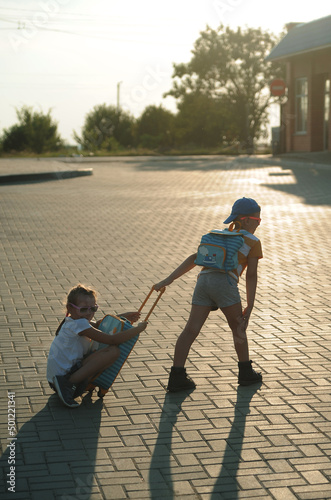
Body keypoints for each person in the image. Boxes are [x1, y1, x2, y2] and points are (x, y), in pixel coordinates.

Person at [154, 197, 263, 392]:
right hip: (225, 283)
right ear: (246, 220)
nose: (258, 224)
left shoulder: (218, 235)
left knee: (190, 330)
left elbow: (195, 258)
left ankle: (176, 376)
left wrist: (167, 280)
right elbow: (252, 275)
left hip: (203, 281)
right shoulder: (252, 241)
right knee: (238, 327)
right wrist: (251, 304)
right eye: (258, 220)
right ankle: (246, 373)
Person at [47, 284, 148, 408]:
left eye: (93, 309)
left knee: (110, 351)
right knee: (112, 352)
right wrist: (137, 330)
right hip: (63, 378)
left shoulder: (72, 321)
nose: (89, 313)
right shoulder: (78, 325)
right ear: (70, 308)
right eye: (84, 309)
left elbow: (100, 324)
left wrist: (122, 316)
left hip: (56, 379)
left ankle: (78, 383)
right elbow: (112, 339)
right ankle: (67, 385)